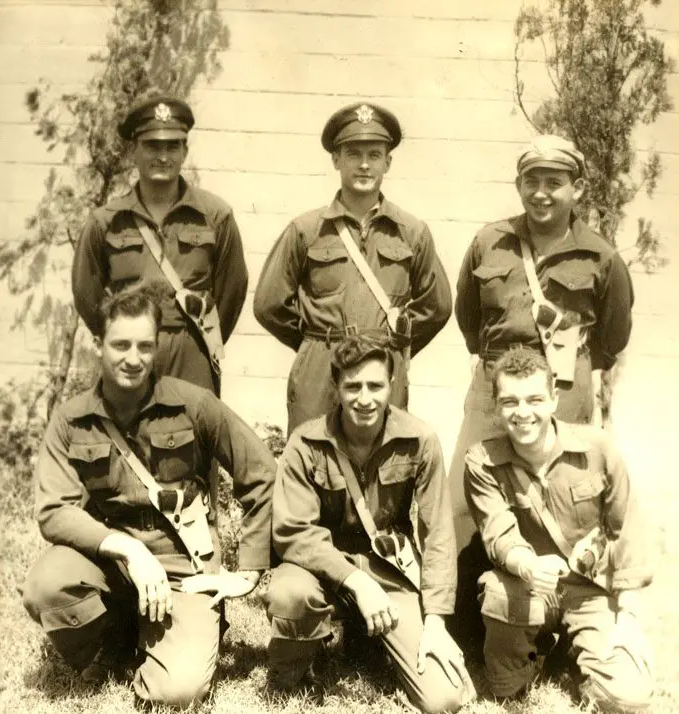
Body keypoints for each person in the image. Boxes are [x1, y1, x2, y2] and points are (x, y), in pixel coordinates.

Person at [21, 285, 276, 708]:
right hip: (108, 559)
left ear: (157, 348)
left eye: (144, 346)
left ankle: (174, 632)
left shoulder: (194, 404)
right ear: (98, 344)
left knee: (178, 693)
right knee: (46, 587)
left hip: (182, 562)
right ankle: (113, 642)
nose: (133, 358)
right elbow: (53, 510)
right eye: (120, 344)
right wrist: (126, 550)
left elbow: (262, 472)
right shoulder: (72, 420)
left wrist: (248, 571)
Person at [448, 134, 635, 650]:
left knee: (563, 507)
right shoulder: (491, 243)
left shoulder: (601, 256)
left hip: (564, 391)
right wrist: (502, 371)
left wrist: (564, 377)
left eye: (555, 182)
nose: (542, 193)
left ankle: (563, 629)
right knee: (464, 505)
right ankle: (464, 631)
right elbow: (468, 317)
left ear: (577, 188)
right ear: (518, 185)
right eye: (532, 181)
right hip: (494, 389)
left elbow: (613, 335)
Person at [263, 334, 474, 713]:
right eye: (352, 386)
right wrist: (355, 581)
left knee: (444, 699)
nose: (364, 398)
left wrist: (438, 622)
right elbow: (292, 532)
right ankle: (299, 660)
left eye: (375, 386)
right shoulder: (305, 443)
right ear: (335, 387)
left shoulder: (420, 440)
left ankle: (370, 638)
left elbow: (438, 531)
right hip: (320, 570)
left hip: (387, 569)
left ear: (391, 385)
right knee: (290, 594)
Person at [464, 346, 653, 711]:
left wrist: (628, 616)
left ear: (554, 398)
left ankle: (576, 646)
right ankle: (535, 658)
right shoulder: (482, 461)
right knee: (506, 686)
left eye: (534, 399)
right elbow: (498, 533)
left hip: (590, 591)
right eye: (510, 402)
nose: (523, 413)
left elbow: (625, 529)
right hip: (527, 587)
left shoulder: (598, 449)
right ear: (497, 406)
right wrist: (529, 566)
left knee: (628, 697)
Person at [253, 102, 452, 435]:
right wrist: (314, 342)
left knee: (384, 465)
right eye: (352, 154)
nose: (363, 165)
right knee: (312, 460)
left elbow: (438, 306)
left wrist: (394, 345)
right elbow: (269, 304)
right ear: (336, 160)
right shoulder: (306, 229)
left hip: (382, 366)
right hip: (321, 368)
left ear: (388, 162)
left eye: (374, 155)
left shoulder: (412, 231)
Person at [72, 95, 248, 396]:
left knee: (190, 434)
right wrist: (121, 336)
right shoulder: (106, 221)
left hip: (191, 349)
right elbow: (86, 294)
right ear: (133, 152)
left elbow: (232, 290)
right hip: (132, 353)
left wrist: (197, 339)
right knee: (128, 436)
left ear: (184, 152)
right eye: (153, 146)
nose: (163, 156)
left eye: (172, 146)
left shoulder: (215, 216)